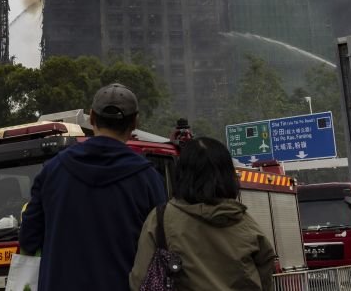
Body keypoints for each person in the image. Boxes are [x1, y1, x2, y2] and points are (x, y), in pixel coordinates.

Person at [19, 83, 166, 291]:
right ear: (134, 122)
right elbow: (160, 249)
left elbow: (28, 240)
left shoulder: (53, 170)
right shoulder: (148, 179)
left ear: (92, 118)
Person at [129, 137, 275, 290]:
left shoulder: (160, 219)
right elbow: (264, 277)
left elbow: (140, 279)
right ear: (228, 175)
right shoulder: (246, 223)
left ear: (182, 174)